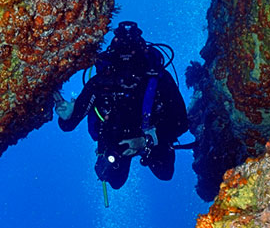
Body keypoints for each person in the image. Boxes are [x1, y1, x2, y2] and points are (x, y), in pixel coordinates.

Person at [54, 21, 189, 189]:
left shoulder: (158, 79)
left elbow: (181, 122)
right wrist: (66, 115)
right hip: (115, 139)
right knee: (114, 180)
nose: (128, 78)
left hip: (152, 135)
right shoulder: (100, 83)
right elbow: (70, 124)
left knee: (165, 173)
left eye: (133, 63)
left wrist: (146, 140)